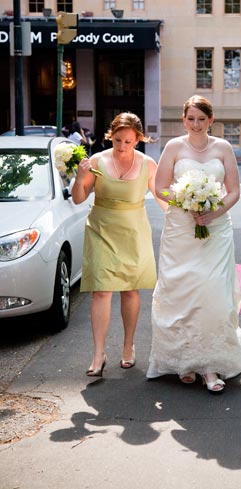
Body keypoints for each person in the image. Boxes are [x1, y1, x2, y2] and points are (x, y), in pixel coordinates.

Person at [147, 95, 241, 394]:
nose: (195, 124)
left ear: (210, 121)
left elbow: (234, 191)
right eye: (190, 119)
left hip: (216, 230)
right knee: (182, 293)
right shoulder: (174, 147)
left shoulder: (223, 148)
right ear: (184, 120)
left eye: (201, 119)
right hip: (181, 230)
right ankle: (184, 361)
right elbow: (160, 188)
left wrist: (213, 211)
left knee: (213, 292)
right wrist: (187, 200)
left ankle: (211, 365)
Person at [71, 112, 165, 377]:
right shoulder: (97, 161)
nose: (122, 146)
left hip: (134, 233)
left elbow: (161, 196)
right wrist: (80, 177)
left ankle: (128, 346)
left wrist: (183, 215)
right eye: (117, 141)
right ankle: (98, 353)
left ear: (138, 139)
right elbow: (79, 198)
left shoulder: (148, 164)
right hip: (101, 230)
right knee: (101, 291)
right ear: (110, 137)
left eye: (128, 141)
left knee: (130, 291)